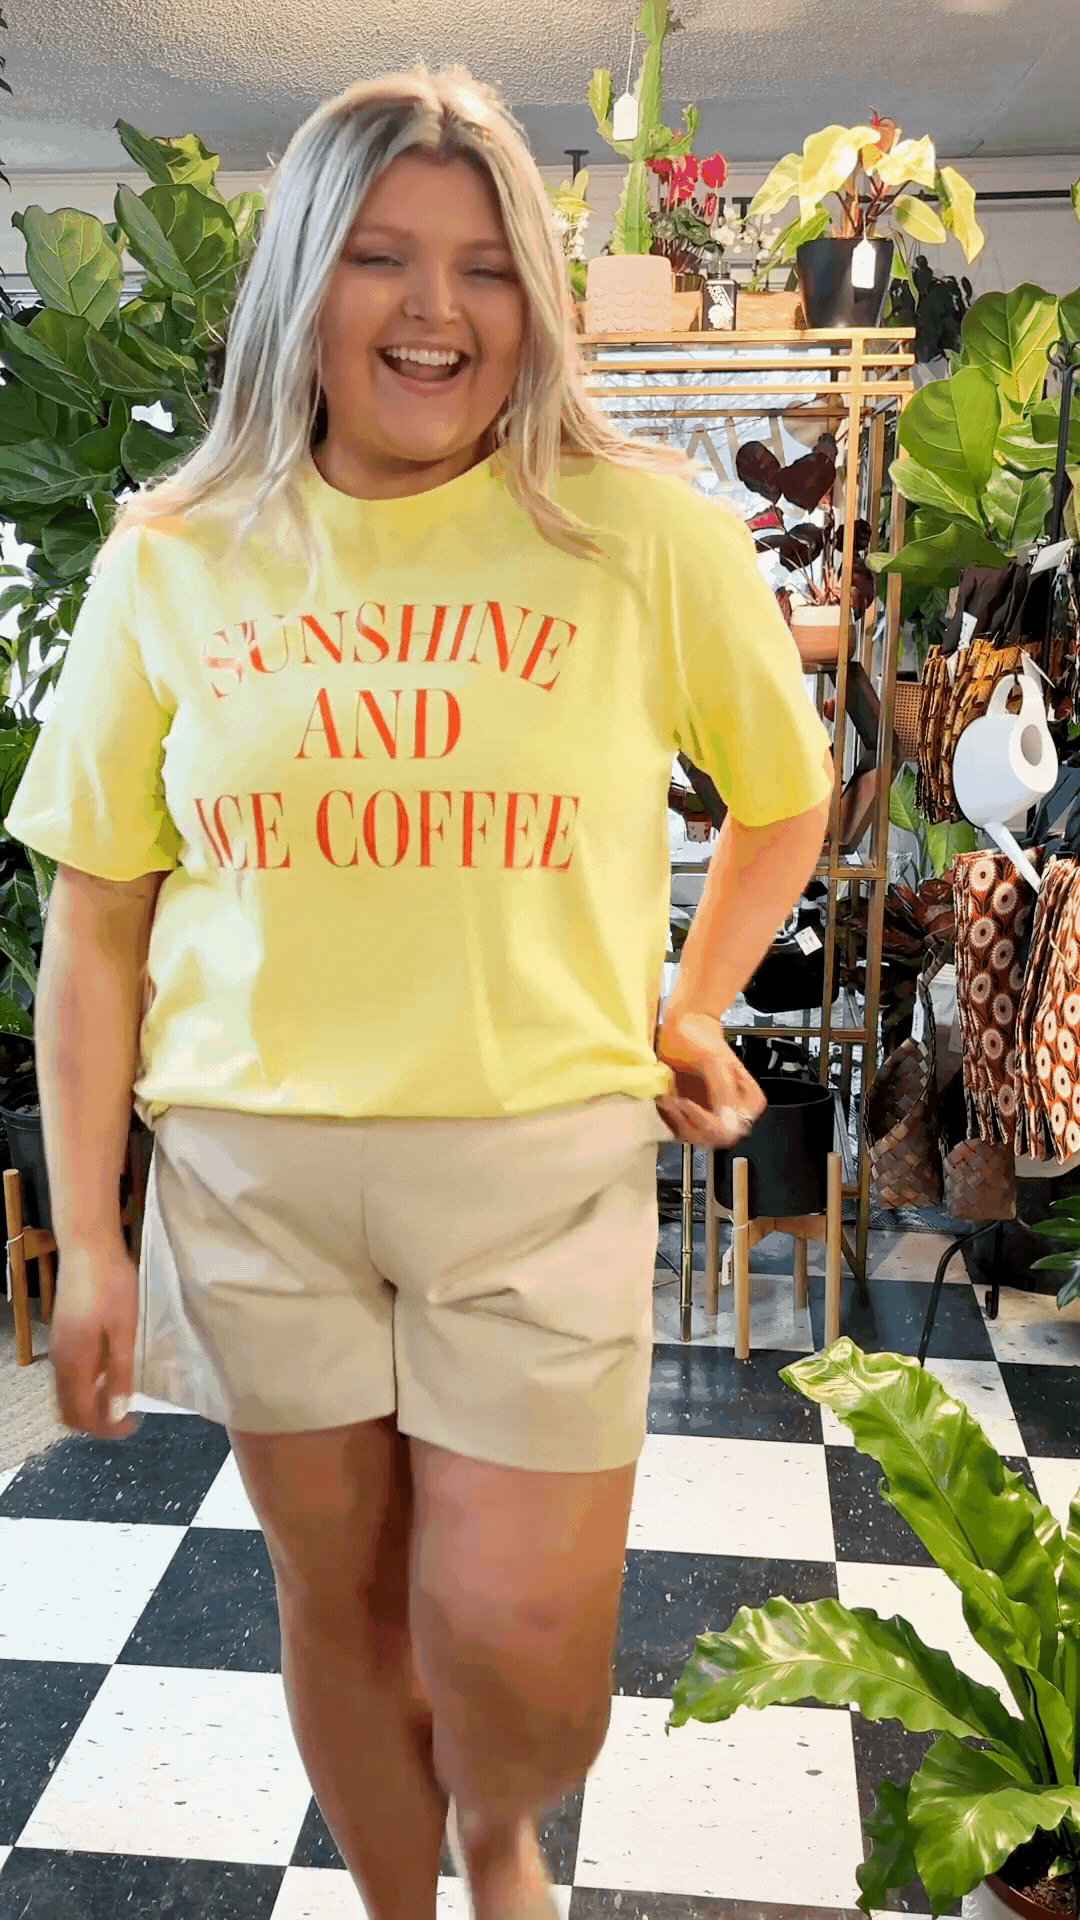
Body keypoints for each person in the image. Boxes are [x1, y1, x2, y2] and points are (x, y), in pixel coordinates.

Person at [5, 64, 833, 1920]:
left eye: (485, 265)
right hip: (256, 1175)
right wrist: (95, 1238)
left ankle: (500, 1832)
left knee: (516, 1644)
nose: (434, 309)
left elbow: (785, 798)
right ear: (304, 280)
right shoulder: (174, 557)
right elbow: (97, 914)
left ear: (535, 299)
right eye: (379, 256)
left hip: (538, 1168)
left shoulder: (640, 536)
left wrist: (695, 1005)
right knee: (342, 1603)